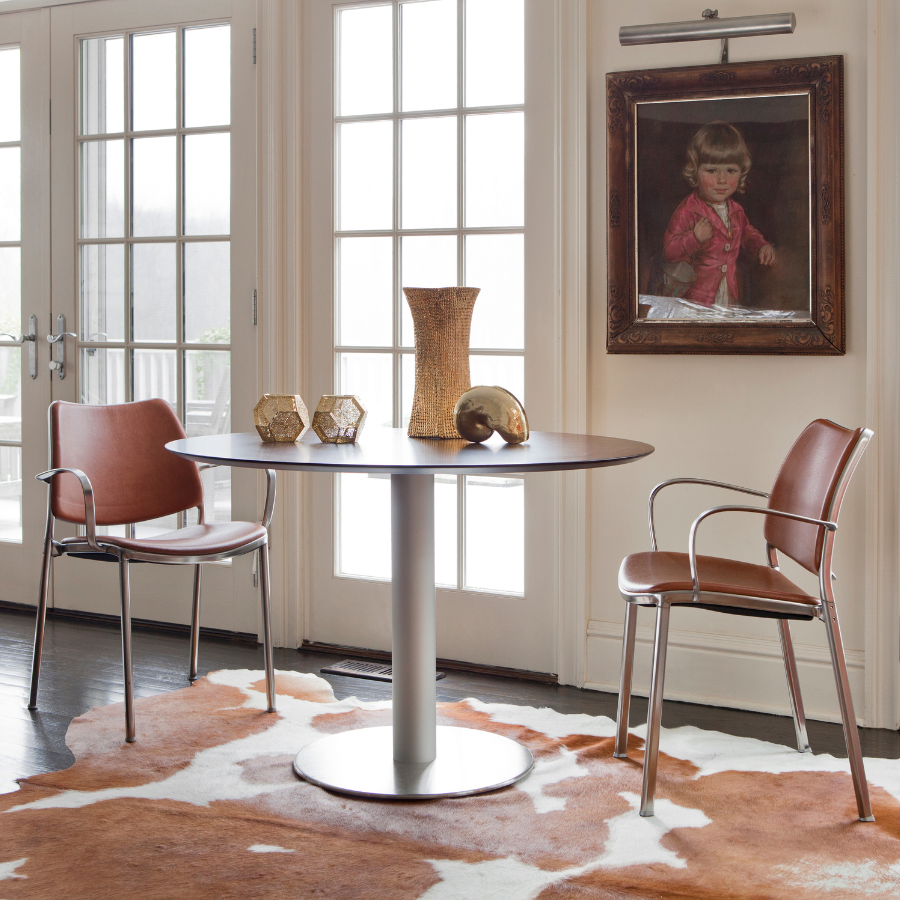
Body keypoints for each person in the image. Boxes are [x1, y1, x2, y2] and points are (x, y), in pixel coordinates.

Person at [662, 121, 777, 310]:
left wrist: (761, 246)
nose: (722, 180)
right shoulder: (688, 210)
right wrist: (694, 238)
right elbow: (669, 251)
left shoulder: (736, 210)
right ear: (696, 170)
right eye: (712, 170)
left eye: (730, 170)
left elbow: (746, 232)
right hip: (695, 298)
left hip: (727, 292)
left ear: (741, 172)